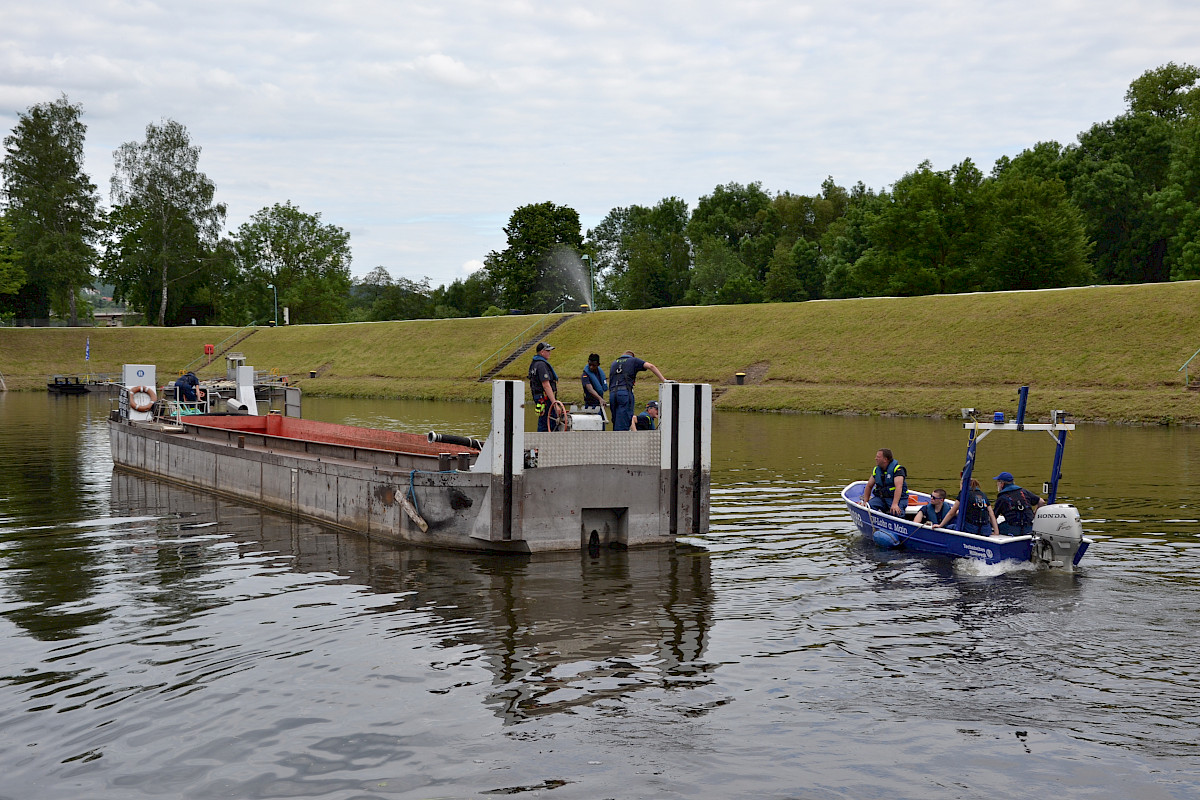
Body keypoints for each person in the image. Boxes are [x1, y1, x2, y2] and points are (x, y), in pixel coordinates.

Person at [608, 350, 667, 432]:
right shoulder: (633, 360)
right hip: (625, 393)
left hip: (612, 394)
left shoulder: (614, 363)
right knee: (625, 420)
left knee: (616, 420)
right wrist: (664, 380)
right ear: (632, 356)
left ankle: (615, 440)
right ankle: (623, 441)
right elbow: (650, 366)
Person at [992, 471, 1045, 536]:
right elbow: (1041, 502)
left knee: (995, 527)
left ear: (1002, 484)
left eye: (998, 482)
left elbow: (993, 516)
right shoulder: (1024, 491)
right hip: (1029, 527)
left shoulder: (1002, 497)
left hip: (1013, 529)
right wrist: (1035, 514)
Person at [860, 448, 908, 516]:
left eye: (878, 457)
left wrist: (895, 504)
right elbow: (869, 486)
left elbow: (899, 487)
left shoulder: (898, 470)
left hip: (898, 499)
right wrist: (865, 501)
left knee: (896, 512)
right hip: (882, 498)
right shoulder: (877, 470)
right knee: (869, 507)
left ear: (885, 459)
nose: (875, 458)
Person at [527, 342, 561, 432]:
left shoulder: (534, 364)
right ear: (542, 352)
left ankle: (541, 442)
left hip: (539, 398)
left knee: (543, 420)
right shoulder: (541, 365)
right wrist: (555, 404)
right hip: (545, 398)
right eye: (548, 351)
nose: (550, 353)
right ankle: (547, 443)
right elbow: (546, 385)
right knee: (550, 421)